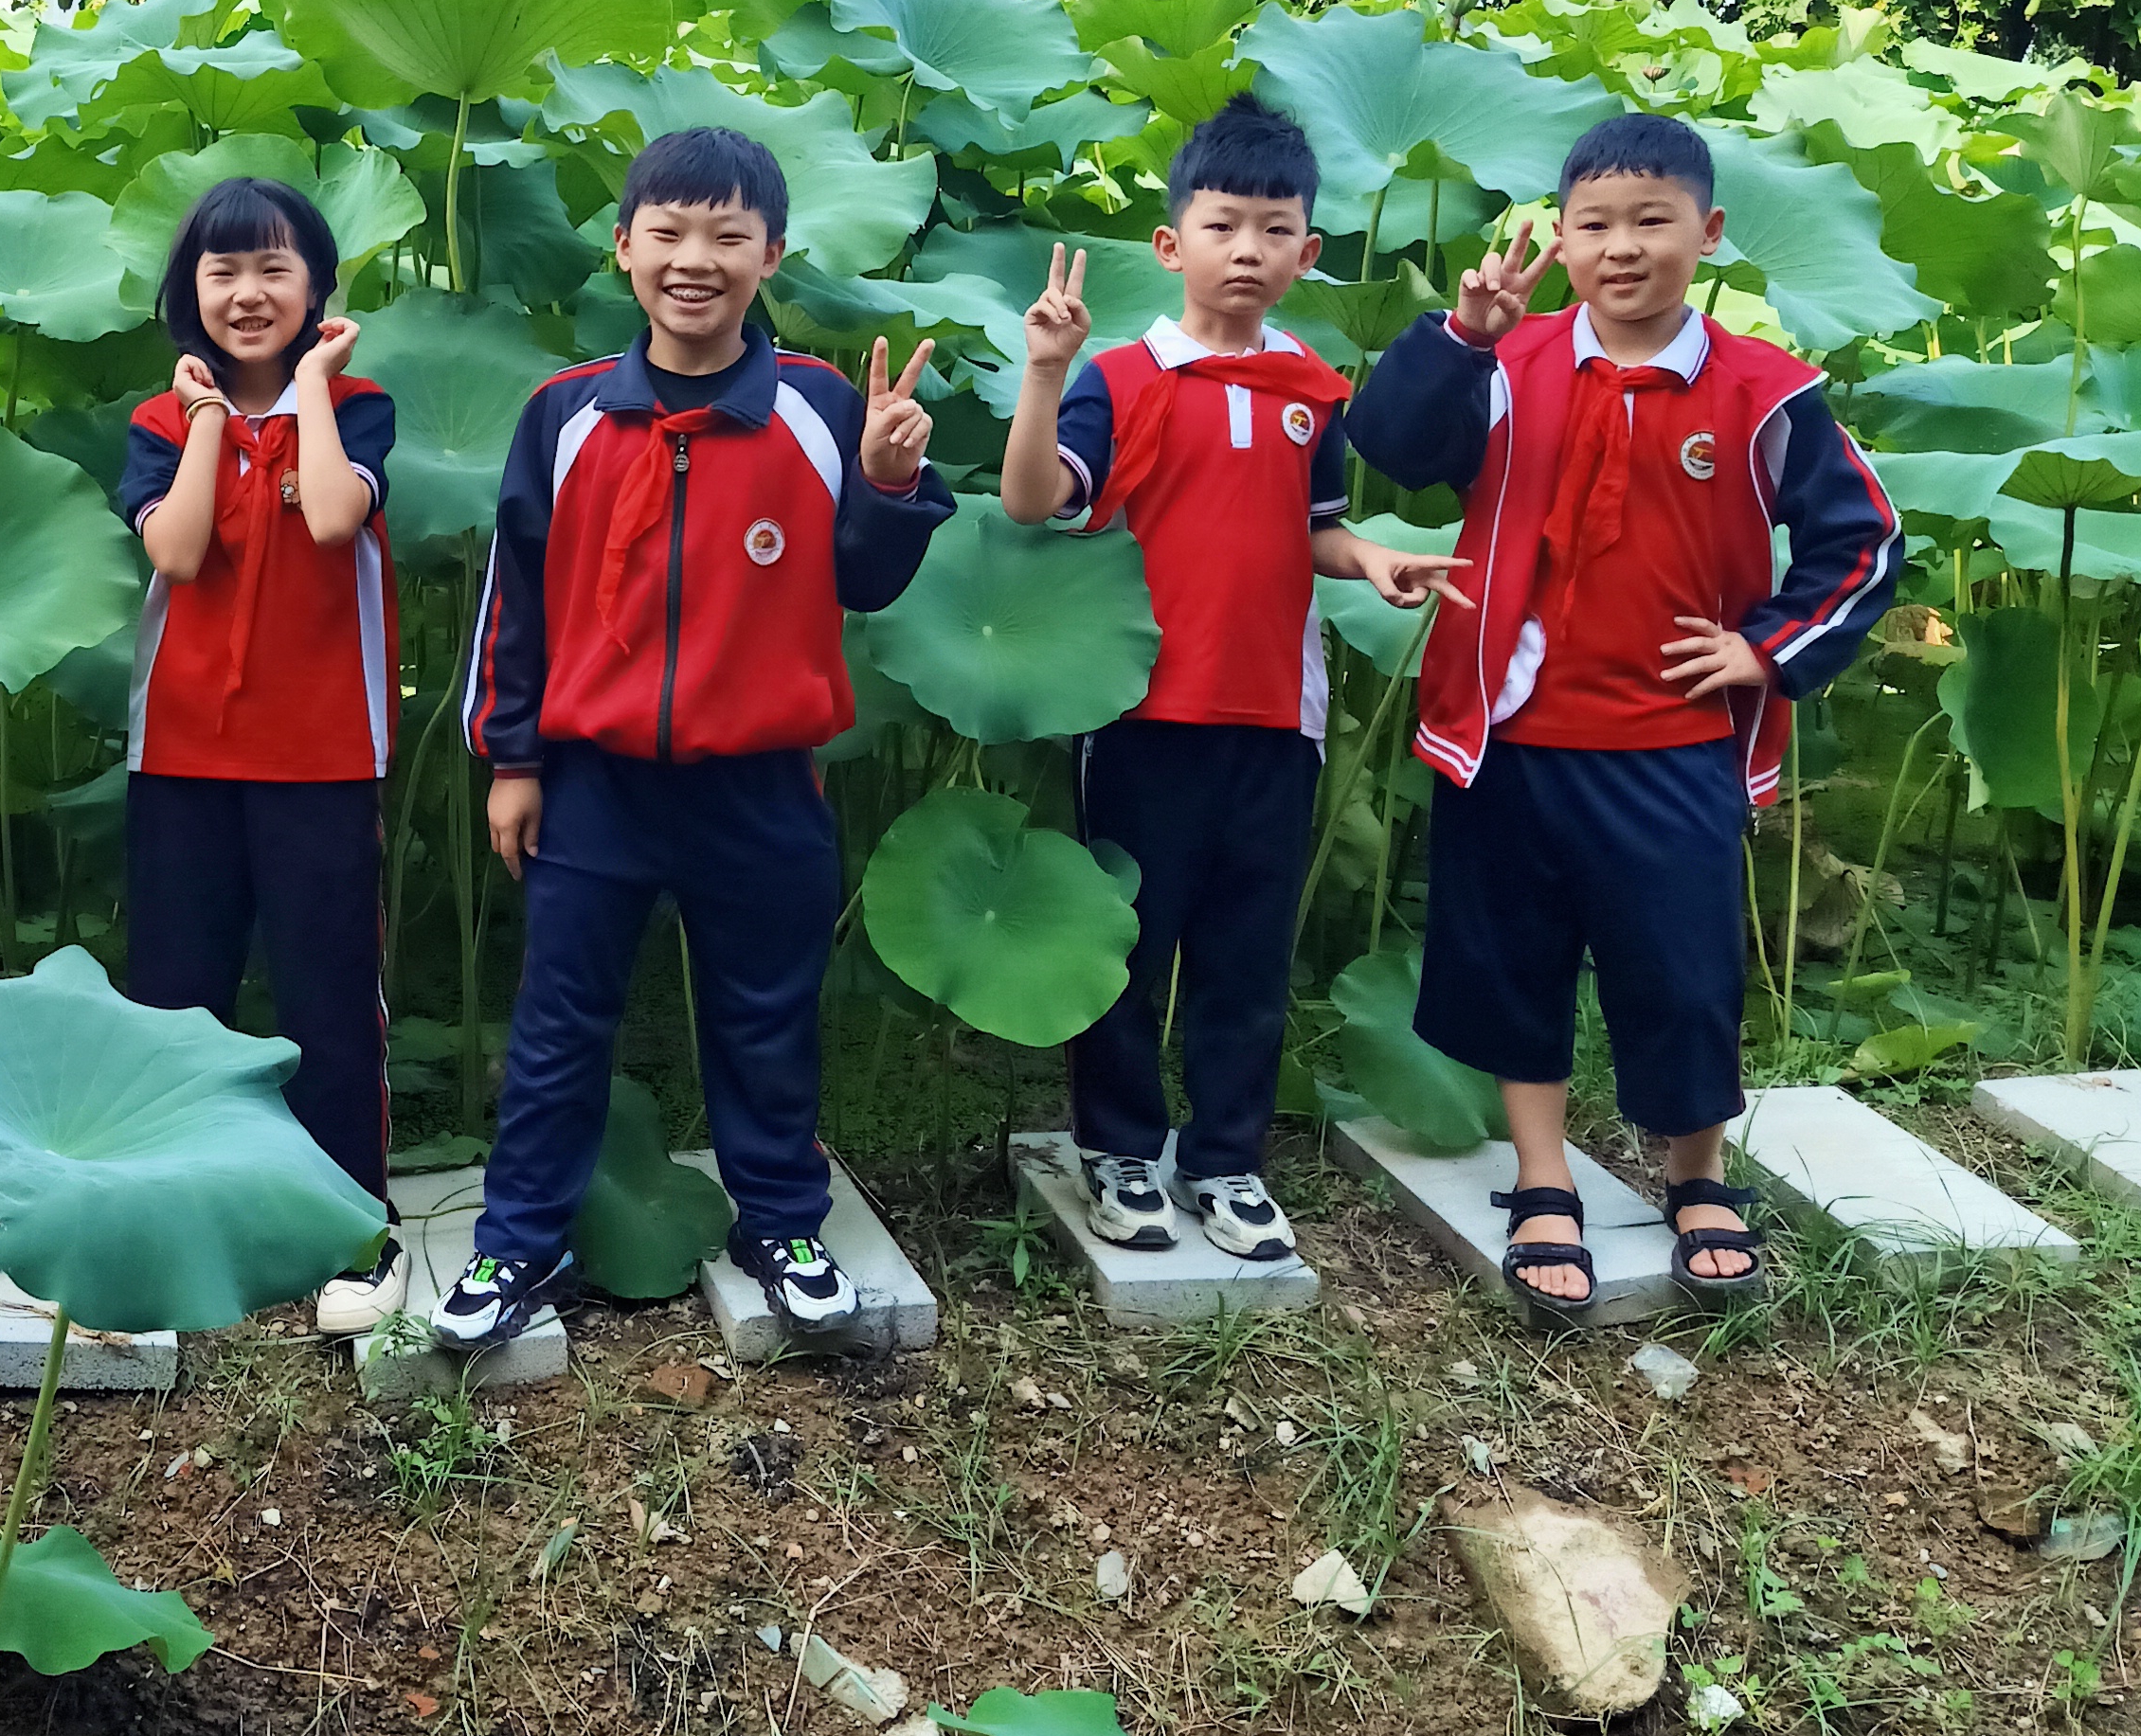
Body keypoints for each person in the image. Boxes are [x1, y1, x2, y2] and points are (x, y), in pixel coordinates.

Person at [1345, 113, 1900, 1320]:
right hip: (1506, 731)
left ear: (1705, 232)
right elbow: (1385, 443)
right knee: (1512, 962)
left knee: (1680, 968)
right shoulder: (1505, 362)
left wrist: (1765, 650)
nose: (1621, 248)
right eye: (1593, 224)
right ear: (1562, 236)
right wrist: (1457, 337)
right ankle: (1541, 1177)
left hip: (1670, 741)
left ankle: (1692, 1174)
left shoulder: (1765, 392)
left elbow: (1865, 539)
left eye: (1651, 221)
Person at [437, 127, 954, 1351]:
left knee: (764, 1014)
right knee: (560, 1019)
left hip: (761, 781)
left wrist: (883, 481)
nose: (695, 258)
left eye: (728, 234)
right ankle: (518, 1237)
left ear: (770, 252)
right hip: (591, 783)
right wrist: (512, 758)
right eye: (667, 231)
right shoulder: (561, 417)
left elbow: (868, 580)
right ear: (623, 249)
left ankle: (779, 1218)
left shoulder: (823, 407)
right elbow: (516, 599)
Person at [993, 93, 1468, 1263]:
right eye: (1222, 225)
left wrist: (1374, 560)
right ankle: (1115, 1149)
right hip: (1142, 713)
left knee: (1246, 954)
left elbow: (1315, 528)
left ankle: (1225, 1160)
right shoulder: (1120, 378)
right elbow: (1030, 499)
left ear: (1308, 251)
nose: (1247, 250)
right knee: (1129, 942)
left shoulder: (1311, 389)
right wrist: (1043, 374)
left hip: (1276, 711)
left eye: (1273, 229)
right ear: (1171, 244)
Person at [120, 174, 405, 1335]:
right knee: (175, 991)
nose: (248, 292)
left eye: (275, 268)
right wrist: (203, 423)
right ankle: (163, 1213)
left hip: (323, 747)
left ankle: (353, 1225)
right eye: (223, 270)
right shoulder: (154, 421)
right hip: (182, 749)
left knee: (328, 994)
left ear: (318, 291)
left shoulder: (363, 406)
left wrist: (311, 395)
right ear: (190, 292)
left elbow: (334, 517)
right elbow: (178, 554)